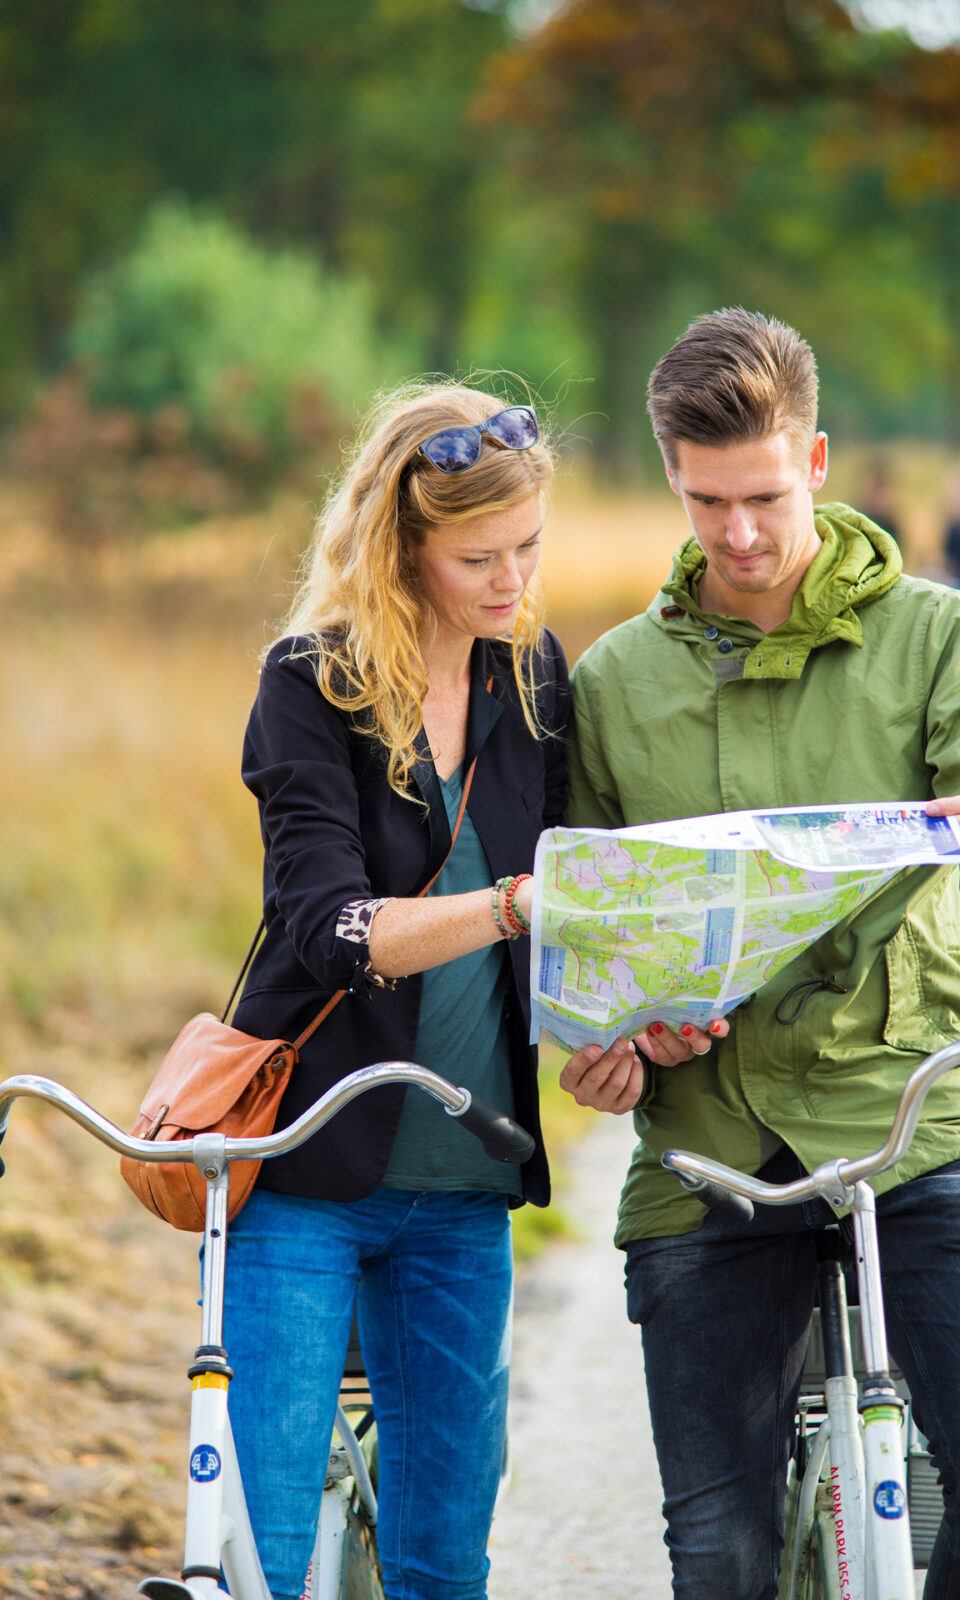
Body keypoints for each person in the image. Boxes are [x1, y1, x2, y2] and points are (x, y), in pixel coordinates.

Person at [561, 309, 960, 1600]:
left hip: (914, 1121)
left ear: (823, 461)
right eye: (704, 501)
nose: (737, 536)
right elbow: (590, 938)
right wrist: (613, 1041)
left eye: (765, 498)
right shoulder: (613, 685)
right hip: (707, 1149)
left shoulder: (934, 640)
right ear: (671, 476)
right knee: (719, 1550)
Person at [220, 382, 573, 1600]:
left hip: (468, 1186)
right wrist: (509, 906)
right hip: (304, 1173)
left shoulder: (530, 677)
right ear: (402, 544)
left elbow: (582, 893)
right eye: (479, 556)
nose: (512, 580)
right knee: (255, 1554)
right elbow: (330, 928)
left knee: (443, 1564)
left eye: (529, 546)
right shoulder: (307, 684)